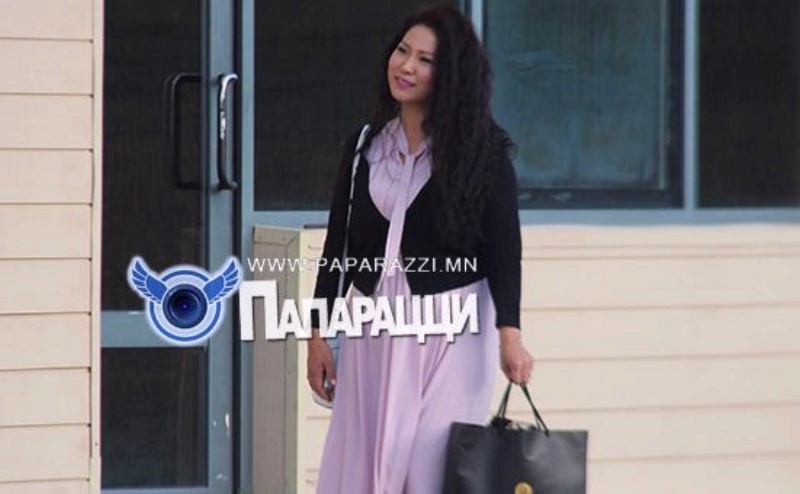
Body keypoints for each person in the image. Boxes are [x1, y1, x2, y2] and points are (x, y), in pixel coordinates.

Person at [307, 3, 534, 493]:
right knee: (368, 469)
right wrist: (318, 334)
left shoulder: (483, 153)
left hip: (452, 333)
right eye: (402, 51)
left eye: (425, 60)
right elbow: (337, 247)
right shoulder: (365, 146)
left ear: (450, 75)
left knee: (429, 472)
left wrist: (510, 336)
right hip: (370, 328)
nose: (406, 66)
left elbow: (504, 252)